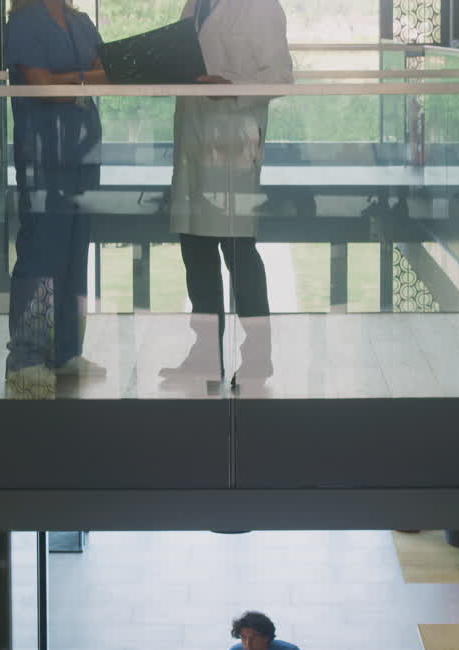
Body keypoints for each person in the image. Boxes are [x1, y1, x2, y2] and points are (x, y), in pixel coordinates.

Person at [165, 0, 293, 388]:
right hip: (194, 137)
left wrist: (231, 88)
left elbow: (280, 76)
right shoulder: (196, 4)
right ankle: (206, 357)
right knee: (195, 250)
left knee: (238, 252)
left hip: (233, 142)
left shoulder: (261, 6)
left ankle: (257, 359)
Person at [4, 0, 108, 397]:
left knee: (75, 250)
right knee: (42, 252)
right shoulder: (24, 21)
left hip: (83, 151)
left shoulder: (80, 21)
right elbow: (40, 85)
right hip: (43, 152)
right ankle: (27, 358)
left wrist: (67, 81)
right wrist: (82, 80)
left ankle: (67, 351)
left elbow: (108, 74)